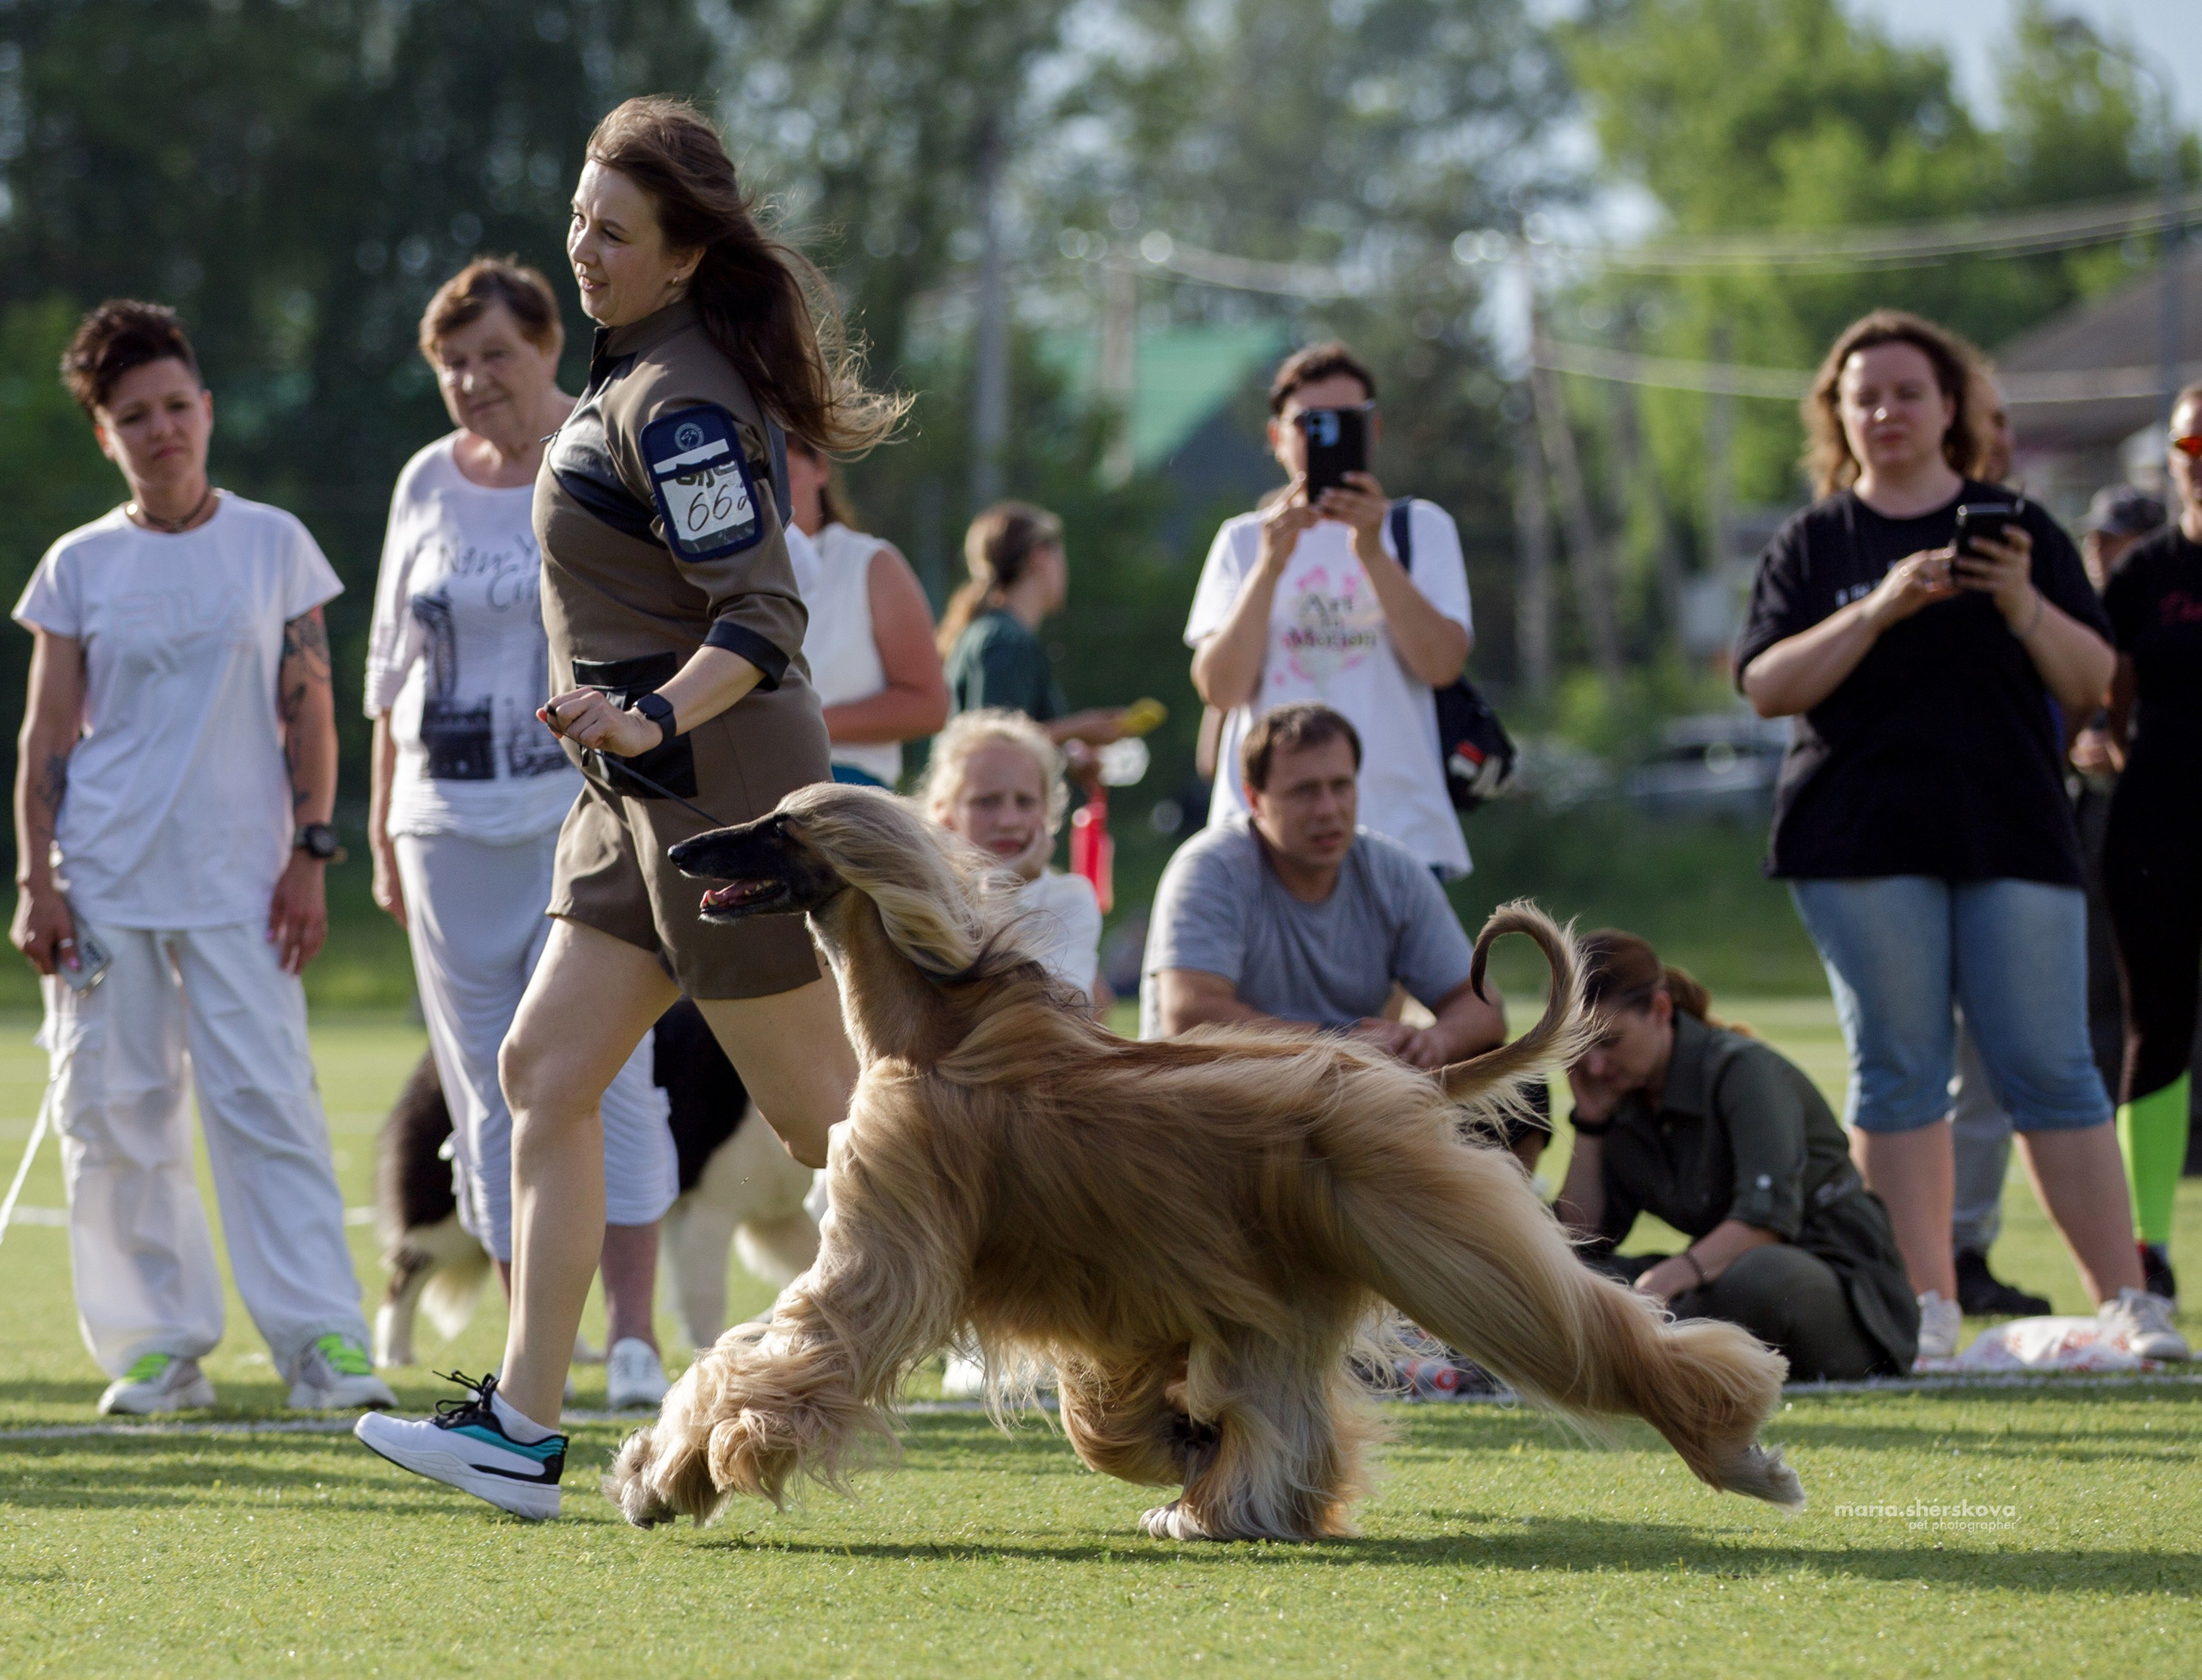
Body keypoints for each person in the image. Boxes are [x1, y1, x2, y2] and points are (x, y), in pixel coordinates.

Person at [355, 95, 904, 1519]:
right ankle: (523, 1428)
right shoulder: (637, 370)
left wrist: (653, 713)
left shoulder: (682, 400)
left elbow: (763, 614)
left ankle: (1123, 1328)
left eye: (615, 232)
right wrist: (631, 733)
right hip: (631, 798)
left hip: (718, 794)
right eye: (580, 219)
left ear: (684, 255)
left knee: (838, 1134)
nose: (584, 249)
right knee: (542, 1072)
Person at [1736, 307, 2186, 1363]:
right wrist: (1877, 609)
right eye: (1864, 397)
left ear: (1951, 408)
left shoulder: (2015, 525)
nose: (1886, 412)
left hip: (2010, 832)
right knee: (1898, 1072)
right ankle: (1921, 1308)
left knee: (2052, 1068)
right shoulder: (1815, 541)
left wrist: (2019, 600)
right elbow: (1765, 684)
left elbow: (2091, 681)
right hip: (1858, 842)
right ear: (1837, 416)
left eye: (1908, 392)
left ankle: (2128, 1302)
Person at [9, 300, 392, 1416]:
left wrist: (312, 853)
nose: (162, 430)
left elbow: (311, 711)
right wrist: (37, 881)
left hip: (246, 880)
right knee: (115, 1115)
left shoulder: (274, 545)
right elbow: (45, 736)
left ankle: (322, 1343)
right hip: (105, 882)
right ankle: (156, 1350)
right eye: (135, 416)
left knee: (270, 1105)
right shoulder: (77, 565)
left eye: (177, 406)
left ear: (209, 411)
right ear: (106, 436)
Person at [362, 258, 682, 1412]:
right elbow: (389, 670)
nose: (472, 379)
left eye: (493, 353)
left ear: (549, 344)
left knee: (610, 1075)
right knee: (484, 1095)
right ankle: (531, 1352)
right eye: (451, 362)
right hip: (442, 828)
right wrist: (383, 830)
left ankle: (634, 1335)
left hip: (577, 820)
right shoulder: (423, 480)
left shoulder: (599, 453)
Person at [1952, 483, 2167, 1315]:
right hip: (2057, 830)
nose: (2108, 554)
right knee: (2011, 1053)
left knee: (2107, 1044)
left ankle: (2137, 1266)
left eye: (2123, 540)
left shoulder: (2137, 599)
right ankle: (1954, 1258)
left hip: (2136, 830)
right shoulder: (2055, 596)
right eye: (2100, 539)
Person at [1140, 703, 1524, 1158]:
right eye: (1304, 791)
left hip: (1348, 1097)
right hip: (1224, 1103)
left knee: (1518, 1087)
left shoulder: (1394, 872)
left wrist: (1433, 1044)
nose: (1328, 809)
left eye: (1341, 786)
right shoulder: (1210, 869)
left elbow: (1482, 1007)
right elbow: (1189, 1018)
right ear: (1254, 799)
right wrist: (1338, 1044)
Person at [1555, 932, 1918, 1381]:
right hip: (1719, 1281)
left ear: (1661, 1010)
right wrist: (1590, 1122)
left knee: (1761, 1278)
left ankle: (1641, 1342)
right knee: (1572, 1278)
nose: (1593, 1066)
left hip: (1837, 1290)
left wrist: (1665, 1281)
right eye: (1578, 1047)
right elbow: (1578, 1241)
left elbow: (1765, 1222)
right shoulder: (1622, 1096)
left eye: (1609, 1041)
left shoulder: (1741, 1071)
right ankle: (1649, 1340)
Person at [1184, 342, 1473, 876]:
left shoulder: (1419, 529)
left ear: (1374, 430)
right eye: (1310, 423)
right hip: (1264, 841)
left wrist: (1373, 552)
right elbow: (1220, 688)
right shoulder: (1244, 541)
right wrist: (1270, 567)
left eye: (1348, 421)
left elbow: (1442, 665)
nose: (1329, 436)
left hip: (1398, 835)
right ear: (1276, 437)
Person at [2099, 385, 2202, 1308]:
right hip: (2157, 827)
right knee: (2157, 1030)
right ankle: (2148, 1249)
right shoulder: (2143, 574)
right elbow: (2103, 699)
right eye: (2189, 445)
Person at [783, 433, 947, 786]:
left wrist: (795, 723)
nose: (769, 494)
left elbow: (929, 705)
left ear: (820, 468)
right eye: (755, 481)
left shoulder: (871, 564)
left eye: (784, 475)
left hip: (847, 797)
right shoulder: (722, 576)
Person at [920, 709, 1104, 1006]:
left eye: (1025, 801)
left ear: (1047, 812)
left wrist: (1002, 887)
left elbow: (1063, 1008)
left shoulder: (1068, 897)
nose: (1008, 820)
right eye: (986, 802)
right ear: (945, 814)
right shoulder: (922, 895)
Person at [937, 500, 1130, 749]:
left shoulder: (989, 631)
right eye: (1060, 555)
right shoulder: (1005, 640)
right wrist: (1077, 730)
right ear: (1039, 556)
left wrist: (1071, 758)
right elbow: (996, 743)